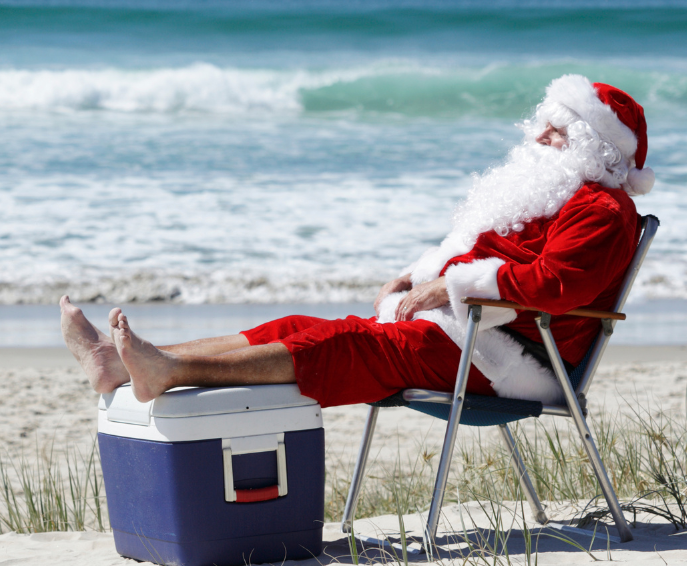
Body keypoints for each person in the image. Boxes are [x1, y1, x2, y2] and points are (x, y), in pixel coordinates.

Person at [60, 75, 655, 406]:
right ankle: (120, 364)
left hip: (516, 354)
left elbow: (558, 285)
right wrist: (425, 274)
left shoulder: (602, 210)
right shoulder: (546, 195)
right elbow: (486, 255)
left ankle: (170, 371)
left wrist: (454, 284)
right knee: (298, 324)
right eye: (544, 123)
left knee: (346, 345)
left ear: (595, 148)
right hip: (471, 329)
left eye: (559, 129)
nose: (541, 136)